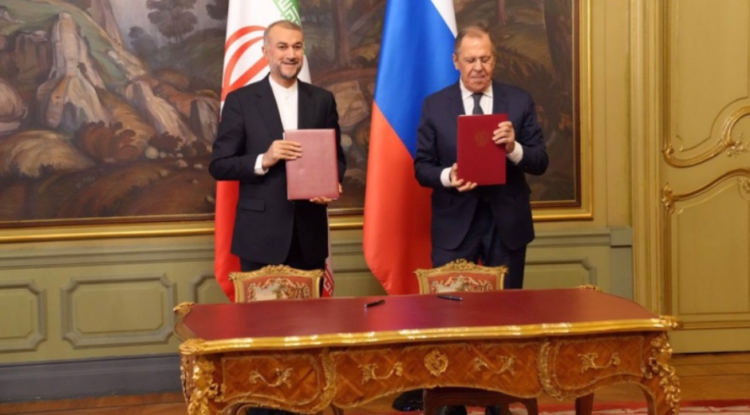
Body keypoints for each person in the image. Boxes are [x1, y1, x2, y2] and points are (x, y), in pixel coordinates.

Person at [393, 24, 548, 415]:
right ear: (456, 62)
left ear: (494, 59)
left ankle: (499, 401)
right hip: (454, 223)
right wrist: (449, 176)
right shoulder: (436, 105)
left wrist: (513, 148)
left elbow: (540, 161)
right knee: (450, 315)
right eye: (471, 59)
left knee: (505, 317)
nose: (479, 67)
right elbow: (422, 167)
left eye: (486, 59)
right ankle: (453, 402)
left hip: (506, 223)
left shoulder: (519, 100)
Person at [209, 19, 346, 275]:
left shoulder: (322, 100)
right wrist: (263, 159)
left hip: (309, 237)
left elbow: (336, 158)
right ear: (266, 51)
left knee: (311, 304)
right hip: (259, 238)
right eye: (282, 47)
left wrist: (330, 183)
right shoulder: (241, 101)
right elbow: (219, 165)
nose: (291, 54)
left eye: (297, 47)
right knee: (261, 305)